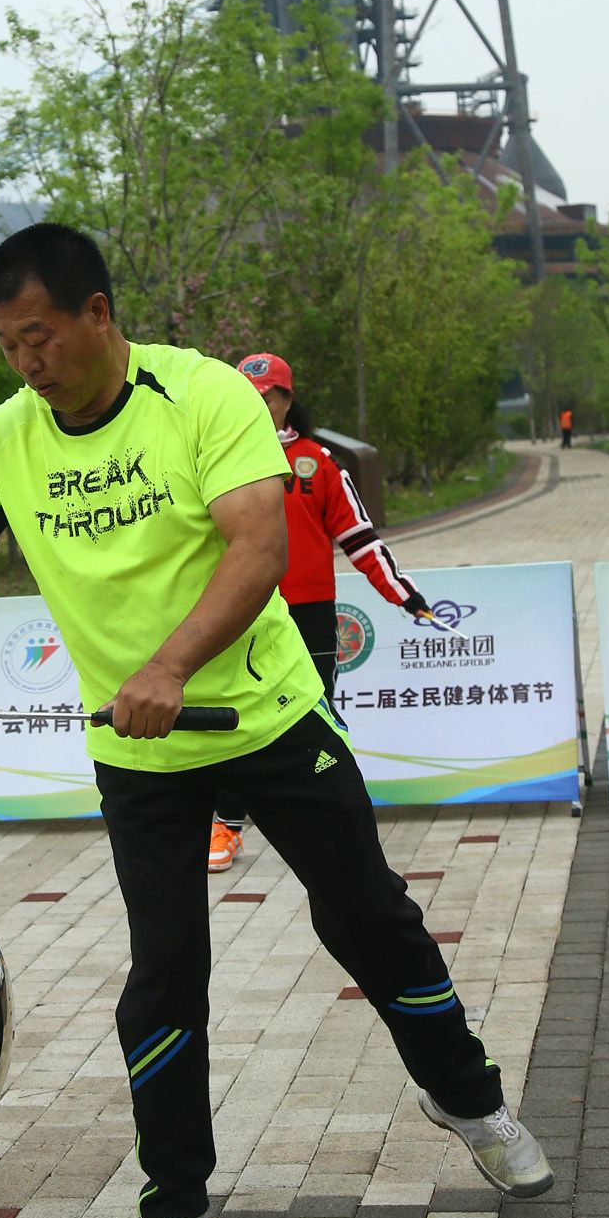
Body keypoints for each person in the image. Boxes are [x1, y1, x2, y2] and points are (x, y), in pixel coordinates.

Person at [0, 222, 553, 1218]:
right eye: (7, 344)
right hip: (138, 750)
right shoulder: (5, 436)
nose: (26, 362)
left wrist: (169, 664)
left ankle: (470, 1099)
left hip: (268, 715)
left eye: (40, 337)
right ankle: (173, 1203)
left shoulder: (204, 395)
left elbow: (259, 546)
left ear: (97, 314)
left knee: (371, 917)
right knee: (165, 971)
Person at [208, 352, 429, 873]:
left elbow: (359, 537)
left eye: (268, 397)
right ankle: (226, 824)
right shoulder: (215, 459)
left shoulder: (318, 461)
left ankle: (336, 820)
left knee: (315, 717)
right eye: (248, 398)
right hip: (242, 609)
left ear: (287, 399)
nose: (258, 406)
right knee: (234, 716)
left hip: (309, 610)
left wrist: (403, 594)